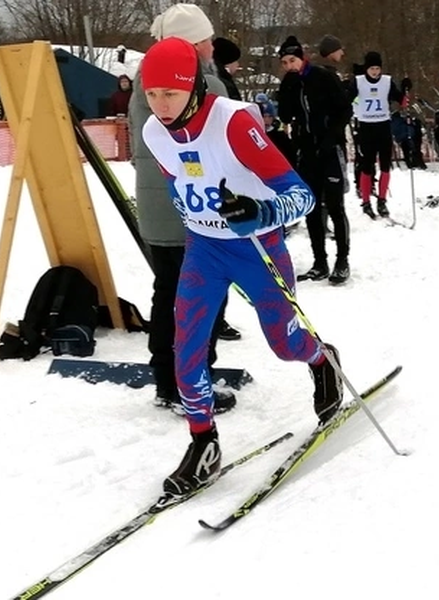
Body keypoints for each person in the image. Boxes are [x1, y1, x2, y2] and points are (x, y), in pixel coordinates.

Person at [139, 37, 344, 495]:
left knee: (283, 343)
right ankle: (203, 442)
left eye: (169, 94)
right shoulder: (154, 131)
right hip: (204, 249)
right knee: (185, 348)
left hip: (257, 248)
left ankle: (321, 358)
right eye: (152, 95)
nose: (161, 106)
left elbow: (302, 196)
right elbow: (185, 177)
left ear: (193, 86)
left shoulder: (231, 123)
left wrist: (261, 212)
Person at [130, 2, 238, 415]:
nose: (213, 47)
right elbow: (220, 114)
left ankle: (170, 379)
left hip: (164, 209)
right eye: (207, 41)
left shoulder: (148, 76)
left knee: (170, 294)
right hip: (189, 211)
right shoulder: (187, 81)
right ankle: (190, 383)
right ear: (194, 44)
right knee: (199, 298)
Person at [277, 35, 353, 285]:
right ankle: (319, 261)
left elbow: (345, 109)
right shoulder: (290, 83)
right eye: (285, 62)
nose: (289, 66)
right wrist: (286, 88)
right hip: (306, 151)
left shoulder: (322, 76)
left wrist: (332, 137)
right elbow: (285, 115)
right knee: (311, 207)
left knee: (334, 205)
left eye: (292, 60)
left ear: (302, 58)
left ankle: (342, 260)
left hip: (329, 149)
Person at [350, 50, 403, 218]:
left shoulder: (387, 81)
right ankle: (365, 201)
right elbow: (345, 98)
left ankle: (382, 200)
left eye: (377, 68)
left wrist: (405, 89)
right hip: (366, 127)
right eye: (371, 68)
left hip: (383, 127)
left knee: (386, 166)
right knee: (367, 166)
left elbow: (401, 100)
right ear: (366, 68)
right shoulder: (358, 82)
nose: (375, 72)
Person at [212, 36, 242, 101]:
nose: (238, 65)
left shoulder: (216, 76)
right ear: (228, 62)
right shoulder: (225, 83)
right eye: (236, 61)